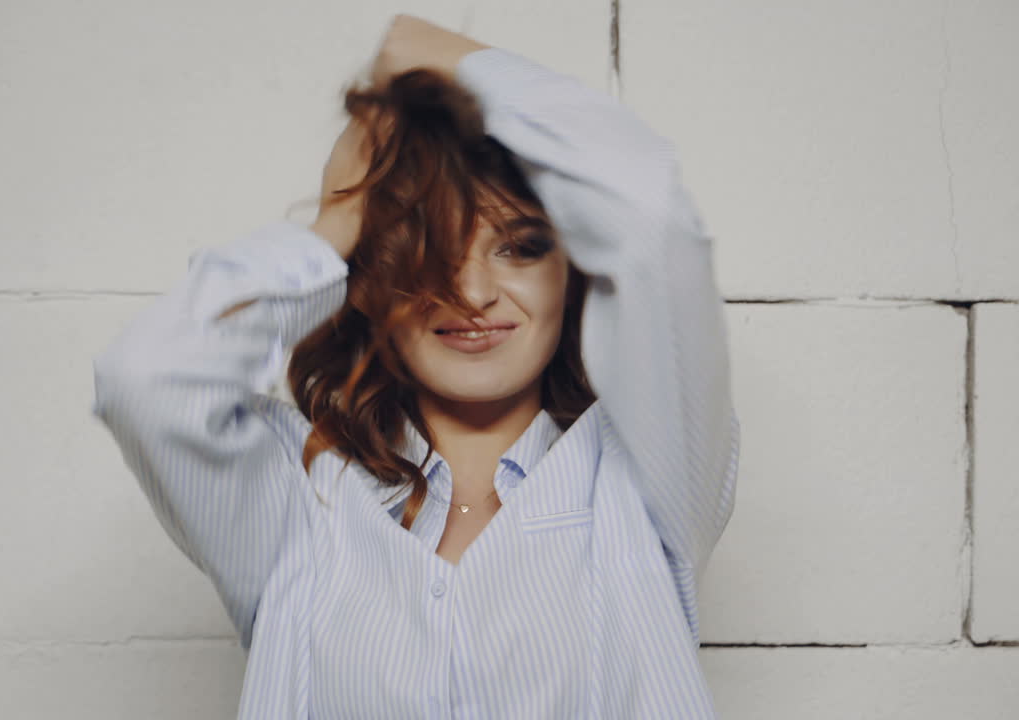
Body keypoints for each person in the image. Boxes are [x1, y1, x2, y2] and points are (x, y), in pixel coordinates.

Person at [91, 14, 740, 719]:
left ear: (571, 278)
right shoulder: (298, 502)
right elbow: (148, 379)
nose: (471, 292)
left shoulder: (644, 480)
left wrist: (446, 59)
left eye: (520, 248)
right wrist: (341, 218)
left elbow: (651, 221)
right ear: (364, 279)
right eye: (426, 248)